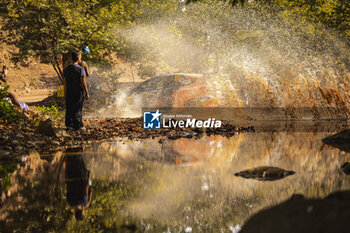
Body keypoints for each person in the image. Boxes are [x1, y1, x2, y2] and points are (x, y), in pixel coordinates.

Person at [63, 51, 90, 130]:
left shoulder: (66, 69)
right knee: (78, 107)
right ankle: (77, 125)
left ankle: (68, 124)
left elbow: (65, 82)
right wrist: (87, 92)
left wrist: (65, 92)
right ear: (78, 58)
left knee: (69, 107)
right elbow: (83, 82)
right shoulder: (80, 68)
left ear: (71, 58)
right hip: (78, 91)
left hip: (69, 91)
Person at [64, 147, 92, 221]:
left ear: (82, 212)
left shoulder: (85, 203)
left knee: (79, 160)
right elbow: (67, 186)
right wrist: (66, 173)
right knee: (72, 162)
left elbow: (87, 188)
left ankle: (78, 147)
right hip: (71, 176)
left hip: (81, 178)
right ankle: (69, 149)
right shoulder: (70, 202)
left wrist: (89, 178)